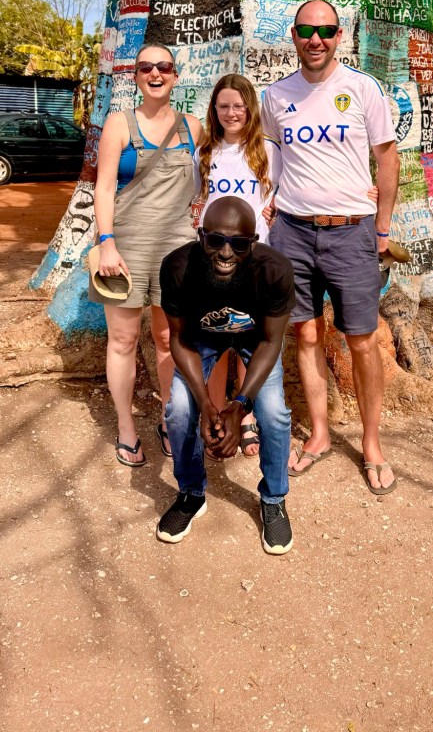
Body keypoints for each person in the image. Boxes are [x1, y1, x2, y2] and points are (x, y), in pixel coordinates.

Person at [261, 0, 401, 493]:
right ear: (294, 37)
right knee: (307, 336)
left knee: (361, 340)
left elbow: (386, 160)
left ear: (339, 36)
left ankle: (371, 443)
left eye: (325, 31)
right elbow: (270, 158)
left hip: (352, 232)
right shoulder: (275, 97)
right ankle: (319, 434)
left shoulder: (363, 89)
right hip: (292, 234)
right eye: (305, 30)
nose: (315, 39)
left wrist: (381, 229)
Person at [157, 197, 296, 554]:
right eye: (215, 240)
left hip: (256, 341)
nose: (225, 252)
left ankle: (273, 498)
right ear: (200, 235)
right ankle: (190, 493)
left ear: (253, 242)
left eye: (238, 243)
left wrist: (239, 405)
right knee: (180, 411)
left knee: (274, 413)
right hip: (200, 339)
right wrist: (206, 403)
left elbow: (270, 341)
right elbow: (179, 339)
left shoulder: (274, 270)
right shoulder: (177, 267)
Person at [92, 44, 202, 467]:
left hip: (178, 250)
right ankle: (126, 427)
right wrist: (106, 242)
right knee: (122, 340)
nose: (155, 73)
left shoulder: (193, 127)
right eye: (146, 68)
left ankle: (169, 419)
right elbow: (103, 188)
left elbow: (233, 164)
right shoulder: (119, 125)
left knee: (168, 341)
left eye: (164, 67)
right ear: (136, 76)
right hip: (125, 248)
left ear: (175, 75)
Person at [193, 74, 282, 456]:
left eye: (239, 106)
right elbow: (196, 199)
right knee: (216, 341)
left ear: (250, 109)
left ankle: (243, 415)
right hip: (212, 262)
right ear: (215, 110)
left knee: (248, 338)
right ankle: (213, 413)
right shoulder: (205, 153)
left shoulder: (267, 151)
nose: (232, 113)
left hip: (254, 260)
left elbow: (285, 194)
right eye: (224, 105)